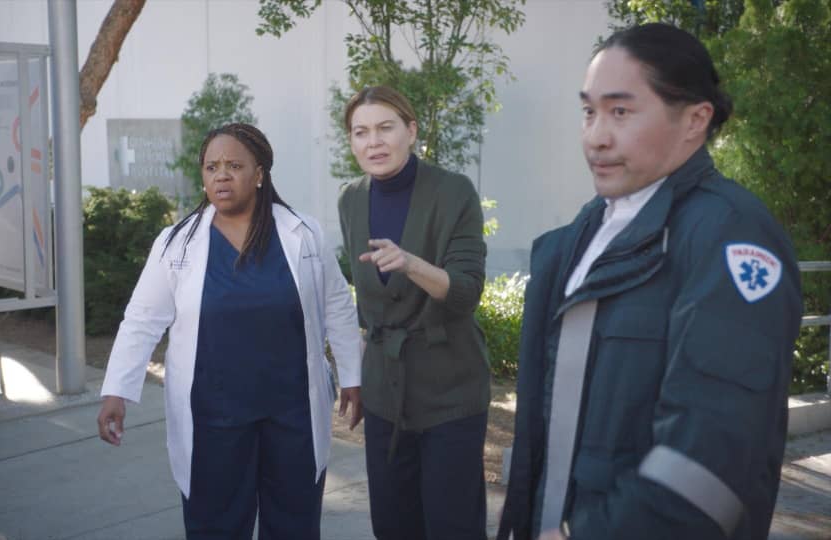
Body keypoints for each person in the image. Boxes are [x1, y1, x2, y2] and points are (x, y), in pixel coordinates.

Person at [497, 23, 803, 540]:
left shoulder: (730, 237)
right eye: (589, 112)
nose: (596, 136)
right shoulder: (585, 233)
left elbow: (707, 464)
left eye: (620, 112)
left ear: (695, 120)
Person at [97, 123, 362, 540]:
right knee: (215, 527)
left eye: (234, 166)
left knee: (294, 525)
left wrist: (352, 376)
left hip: (292, 413)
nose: (221, 175)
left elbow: (338, 307)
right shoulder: (177, 243)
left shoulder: (303, 234)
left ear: (259, 174)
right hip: (213, 418)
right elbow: (142, 320)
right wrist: (117, 391)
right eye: (211, 167)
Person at [338, 86, 491, 540]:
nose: (373, 142)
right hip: (385, 391)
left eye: (385, 128)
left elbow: (466, 293)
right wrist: (358, 376)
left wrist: (410, 263)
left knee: (452, 527)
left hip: (451, 389)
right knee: (392, 524)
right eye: (360, 132)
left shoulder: (453, 191)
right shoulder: (351, 199)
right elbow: (369, 307)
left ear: (411, 130)